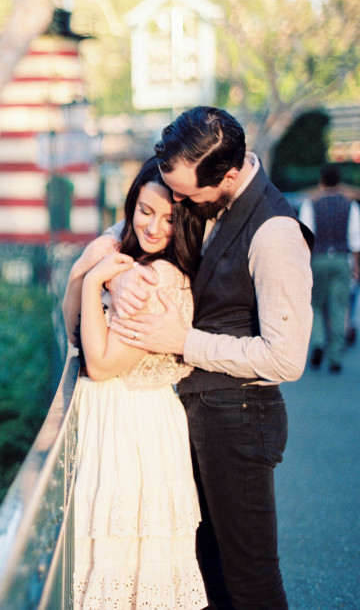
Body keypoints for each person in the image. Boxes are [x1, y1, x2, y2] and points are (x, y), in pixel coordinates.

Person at [103, 107, 312, 610]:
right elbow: (137, 227)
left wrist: (183, 339)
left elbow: (287, 359)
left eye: (186, 194)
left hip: (241, 420)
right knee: (208, 572)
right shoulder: (203, 187)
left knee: (250, 579)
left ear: (230, 174)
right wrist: (115, 271)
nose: (177, 201)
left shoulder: (275, 233)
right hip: (201, 416)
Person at [67, 158, 206, 608]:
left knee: (129, 571)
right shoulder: (130, 260)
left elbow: (102, 364)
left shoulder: (160, 279)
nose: (154, 227)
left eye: (169, 219)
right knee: (113, 569)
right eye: (145, 211)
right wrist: (89, 272)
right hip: (115, 424)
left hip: (134, 431)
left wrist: (93, 283)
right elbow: (69, 328)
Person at [298, 165, 360, 373]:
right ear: (339, 182)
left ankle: (317, 342)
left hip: (318, 258)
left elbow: (306, 235)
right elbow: (356, 238)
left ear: (321, 182)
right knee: (339, 307)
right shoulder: (349, 205)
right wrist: (356, 266)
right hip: (342, 258)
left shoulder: (311, 204)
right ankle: (335, 355)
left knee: (315, 305)